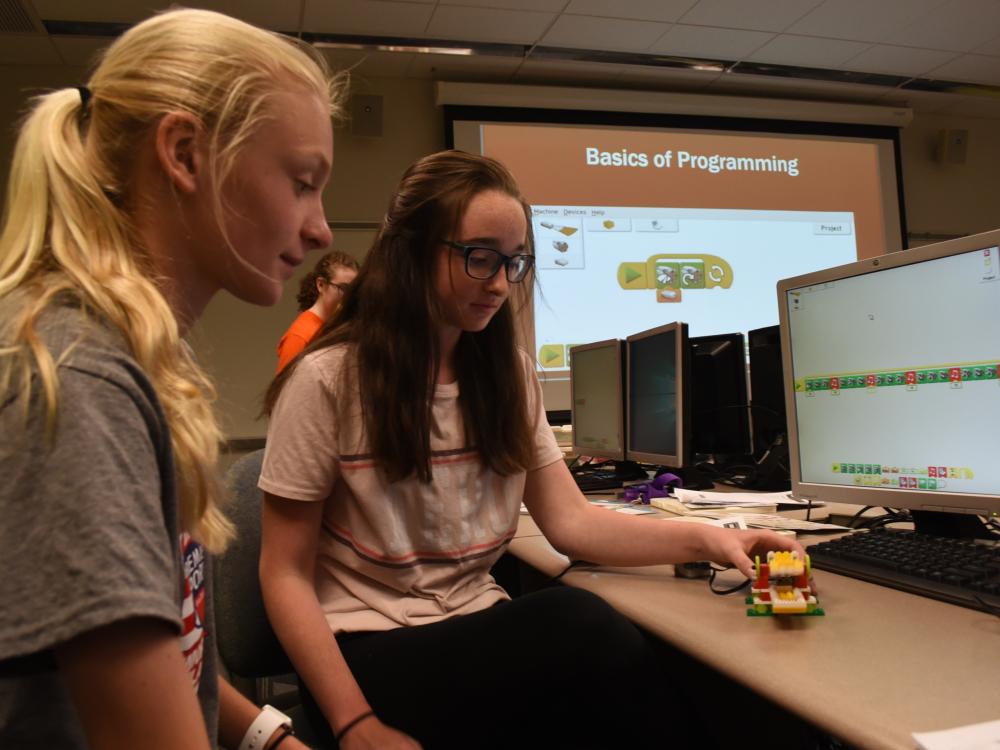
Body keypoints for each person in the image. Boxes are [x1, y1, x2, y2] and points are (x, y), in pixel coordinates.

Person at [258, 150, 804, 750]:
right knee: (583, 625)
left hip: (470, 627)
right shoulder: (328, 380)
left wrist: (716, 539)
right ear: (413, 249)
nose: (498, 282)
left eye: (513, 263)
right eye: (479, 257)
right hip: (364, 653)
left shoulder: (509, 376)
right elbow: (283, 573)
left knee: (689, 670)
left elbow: (572, 523)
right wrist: (354, 723)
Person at [0, 8, 344, 749]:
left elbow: (164, 644)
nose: (320, 230)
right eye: (303, 182)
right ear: (185, 153)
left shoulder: (143, 355)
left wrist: (266, 737)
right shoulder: (76, 374)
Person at [277, 250, 359, 372]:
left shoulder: (339, 327)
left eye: (354, 290)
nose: (349, 297)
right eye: (343, 288)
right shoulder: (299, 336)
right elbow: (285, 389)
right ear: (321, 285)